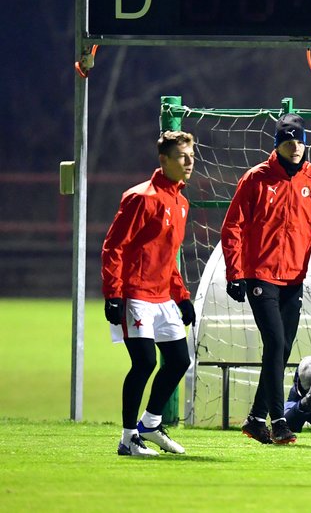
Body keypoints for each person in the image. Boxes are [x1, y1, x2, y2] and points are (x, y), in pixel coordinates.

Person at [221, 114, 311, 446]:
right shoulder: (256, 179)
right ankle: (279, 422)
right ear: (278, 145)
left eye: (300, 141)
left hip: (294, 278)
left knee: (282, 349)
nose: (296, 147)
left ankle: (255, 420)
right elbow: (232, 227)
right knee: (274, 344)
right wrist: (236, 273)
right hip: (261, 274)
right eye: (289, 142)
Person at [101, 130, 197, 457]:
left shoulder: (181, 203)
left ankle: (151, 425)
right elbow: (114, 247)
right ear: (164, 160)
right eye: (182, 156)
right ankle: (127, 440)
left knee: (179, 360)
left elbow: (167, 257)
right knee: (143, 362)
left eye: (191, 155)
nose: (189, 162)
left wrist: (182, 296)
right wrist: (113, 294)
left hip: (163, 296)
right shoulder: (141, 197)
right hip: (136, 293)